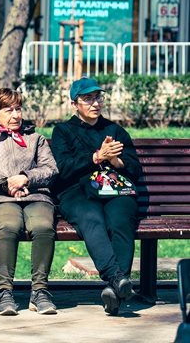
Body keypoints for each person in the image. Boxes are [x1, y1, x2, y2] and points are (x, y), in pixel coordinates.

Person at [0, 88, 59, 316]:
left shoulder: (35, 138)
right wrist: (7, 184)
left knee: (44, 227)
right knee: (11, 225)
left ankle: (40, 291)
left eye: (18, 109)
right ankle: (4, 292)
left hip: (35, 195)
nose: (16, 115)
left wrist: (26, 177)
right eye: (9, 110)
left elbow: (51, 169)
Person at [50, 77, 142, 316]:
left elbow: (134, 169)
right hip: (77, 193)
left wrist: (114, 160)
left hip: (114, 189)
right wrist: (96, 157)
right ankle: (116, 278)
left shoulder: (115, 130)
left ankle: (115, 290)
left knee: (121, 219)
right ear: (74, 104)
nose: (95, 103)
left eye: (98, 97)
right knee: (92, 219)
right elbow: (63, 169)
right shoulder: (63, 131)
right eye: (87, 99)